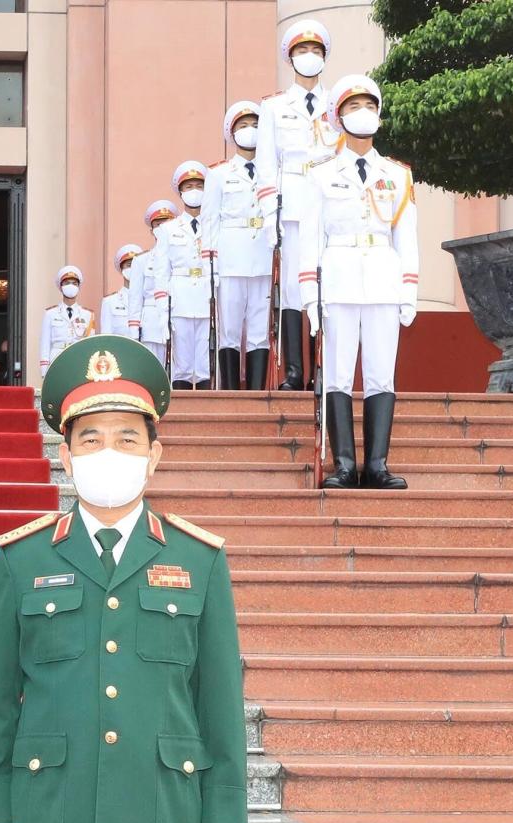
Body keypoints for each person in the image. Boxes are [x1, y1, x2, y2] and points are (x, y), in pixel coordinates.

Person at [0, 334, 247, 823]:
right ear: (65, 456)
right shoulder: (22, 557)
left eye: (127, 438)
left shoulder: (198, 559)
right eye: (90, 439)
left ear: (154, 456)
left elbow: (219, 704)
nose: (108, 452)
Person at [299, 75, 418, 490]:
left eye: (368, 106)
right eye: (352, 108)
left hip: (384, 280)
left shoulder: (398, 175)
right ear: (338, 118)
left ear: (379, 117)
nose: (361, 113)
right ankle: (345, 465)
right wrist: (309, 297)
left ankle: (378, 465)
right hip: (338, 280)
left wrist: (409, 289)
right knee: (337, 374)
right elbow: (310, 238)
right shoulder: (320, 175)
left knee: (382, 374)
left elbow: (406, 236)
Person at [255, 19, 340, 391]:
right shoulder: (274, 107)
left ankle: (321, 368)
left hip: (327, 204)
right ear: (290, 58)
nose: (309, 57)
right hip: (290, 211)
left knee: (324, 285)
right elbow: (265, 165)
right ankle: (294, 371)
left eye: (316, 51)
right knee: (292, 290)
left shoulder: (337, 103)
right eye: (302, 51)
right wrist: (269, 214)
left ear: (324, 58)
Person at [202, 101, 274, 390]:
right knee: (229, 329)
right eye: (243, 126)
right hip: (231, 258)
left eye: (255, 125)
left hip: (263, 256)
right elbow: (209, 220)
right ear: (232, 134)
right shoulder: (219, 174)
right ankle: (230, 391)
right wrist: (212, 265)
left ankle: (257, 393)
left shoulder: (272, 170)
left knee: (259, 328)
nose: (250, 131)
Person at [153, 162, 212, 389]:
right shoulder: (168, 230)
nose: (194, 191)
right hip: (180, 296)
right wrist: (161, 310)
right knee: (183, 362)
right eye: (189, 187)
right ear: (180, 193)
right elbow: (161, 272)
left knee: (205, 358)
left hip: (207, 294)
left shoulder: (213, 224)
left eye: (199, 185)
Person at [140, 201, 177, 367]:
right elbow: (135, 299)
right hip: (152, 322)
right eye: (158, 224)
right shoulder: (141, 261)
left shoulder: (182, 254)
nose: (162, 228)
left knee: (178, 369)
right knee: (152, 367)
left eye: (166, 223)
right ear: (152, 230)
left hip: (177, 313)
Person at [39, 265, 94, 375]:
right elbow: (45, 343)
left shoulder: (88, 314)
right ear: (61, 286)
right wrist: (44, 370)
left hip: (78, 360)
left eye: (74, 283)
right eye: (67, 283)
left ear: (79, 287)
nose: (71, 286)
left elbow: (90, 343)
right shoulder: (50, 313)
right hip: (56, 358)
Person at [100, 244, 143, 339]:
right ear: (122, 269)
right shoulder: (110, 302)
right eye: (129, 265)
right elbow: (106, 336)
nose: (133, 269)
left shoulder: (149, 300)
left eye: (135, 265)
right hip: (119, 351)